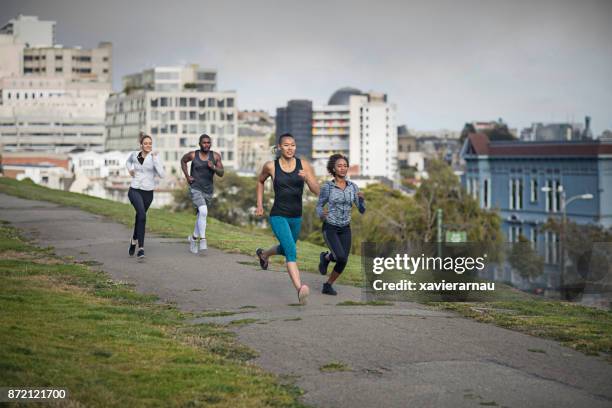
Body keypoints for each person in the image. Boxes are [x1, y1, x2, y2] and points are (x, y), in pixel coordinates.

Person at [255, 133, 320, 305]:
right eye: (286, 145)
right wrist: (260, 204)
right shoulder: (271, 166)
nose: (290, 148)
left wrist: (306, 178)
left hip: (296, 216)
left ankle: (263, 254)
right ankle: (300, 289)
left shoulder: (304, 165)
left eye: (293, 145)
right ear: (279, 147)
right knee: (291, 252)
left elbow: (317, 190)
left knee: (285, 248)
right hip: (278, 215)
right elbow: (260, 181)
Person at [316, 154, 365, 295]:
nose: (343, 168)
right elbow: (319, 205)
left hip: (345, 228)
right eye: (339, 166)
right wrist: (321, 214)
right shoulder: (328, 187)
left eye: (345, 166)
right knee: (340, 256)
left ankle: (328, 285)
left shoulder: (353, 187)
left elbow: (361, 210)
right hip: (330, 227)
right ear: (334, 168)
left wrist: (361, 201)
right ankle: (325, 257)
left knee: (343, 260)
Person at [180, 134, 224, 254]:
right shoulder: (193, 155)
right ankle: (203, 239)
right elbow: (183, 161)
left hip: (208, 190)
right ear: (199, 144)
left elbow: (221, 173)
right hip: (195, 188)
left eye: (208, 143)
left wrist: (213, 167)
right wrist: (187, 176)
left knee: (201, 215)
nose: (206, 145)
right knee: (203, 211)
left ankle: (194, 238)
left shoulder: (215, 156)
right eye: (204, 143)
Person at [126, 134, 165, 259]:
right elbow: (127, 162)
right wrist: (130, 170)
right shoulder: (135, 155)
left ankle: (134, 240)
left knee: (140, 217)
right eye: (146, 143)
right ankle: (141, 248)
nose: (148, 145)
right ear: (141, 145)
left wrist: (154, 160)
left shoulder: (155, 157)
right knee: (142, 215)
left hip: (148, 192)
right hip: (134, 189)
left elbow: (162, 174)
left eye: (150, 143)